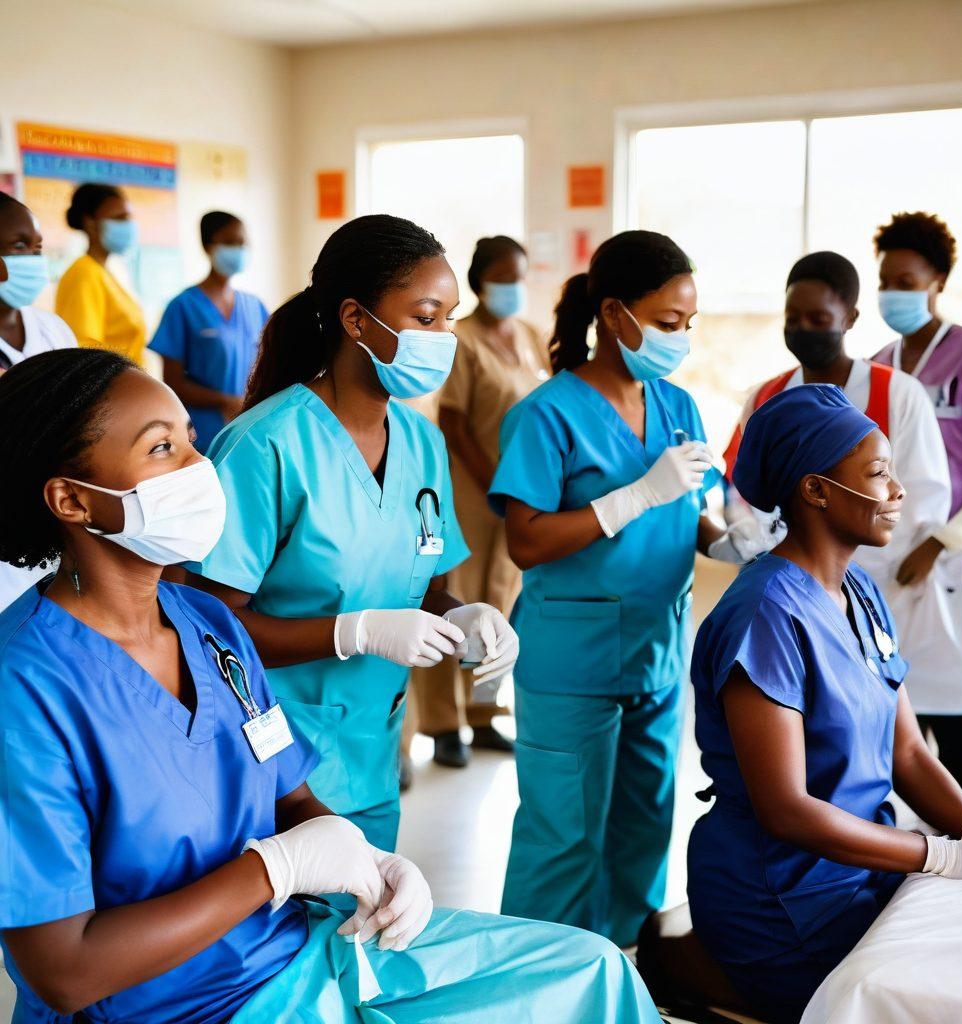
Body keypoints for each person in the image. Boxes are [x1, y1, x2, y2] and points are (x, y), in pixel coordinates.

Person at [0, 347, 663, 1024]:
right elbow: (65, 971)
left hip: (300, 949)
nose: (201, 471)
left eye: (192, 443)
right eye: (162, 448)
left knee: (592, 972)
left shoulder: (206, 626)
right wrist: (274, 871)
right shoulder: (24, 687)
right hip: (176, 1007)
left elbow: (292, 795)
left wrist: (364, 857)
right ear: (72, 499)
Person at [637, 385, 962, 1024]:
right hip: (783, 896)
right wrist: (941, 855)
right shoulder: (764, 616)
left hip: (864, 865)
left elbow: (905, 751)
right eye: (877, 474)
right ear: (815, 490)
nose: (898, 491)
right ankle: (681, 967)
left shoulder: (861, 592)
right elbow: (787, 810)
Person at [188, 215, 517, 853]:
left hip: (372, 747)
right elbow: (208, 629)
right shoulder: (267, 446)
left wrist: (468, 617)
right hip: (276, 757)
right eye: (426, 318)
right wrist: (353, 632)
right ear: (356, 319)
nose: (445, 338)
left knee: (364, 934)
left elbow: (423, 587)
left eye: (451, 317)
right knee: (290, 940)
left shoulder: (422, 443)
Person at [490, 230, 762, 947]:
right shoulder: (547, 414)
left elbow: (688, 510)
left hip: (656, 652)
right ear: (614, 314)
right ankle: (538, 980)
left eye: (687, 326)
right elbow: (526, 539)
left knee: (645, 826)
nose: (680, 339)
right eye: (668, 324)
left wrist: (728, 542)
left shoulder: (678, 406)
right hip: (570, 662)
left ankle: (621, 969)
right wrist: (630, 497)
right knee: (564, 837)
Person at [723, 251, 962, 724]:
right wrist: (748, 534)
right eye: (793, 318)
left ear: (849, 318)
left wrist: (862, 562)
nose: (803, 328)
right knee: (802, 713)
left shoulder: (896, 393)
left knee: (880, 716)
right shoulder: (766, 397)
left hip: (882, 584)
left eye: (818, 318)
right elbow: (739, 488)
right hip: (788, 582)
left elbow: (922, 493)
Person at [873, 212, 962, 806]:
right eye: (886, 281)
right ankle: (917, 849)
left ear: (937, 281)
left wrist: (946, 539)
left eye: (907, 281)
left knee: (958, 708)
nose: (894, 293)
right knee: (901, 704)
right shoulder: (880, 364)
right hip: (895, 561)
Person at [413, 235, 548, 770]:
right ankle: (444, 725)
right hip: (472, 489)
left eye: (519, 276)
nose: (511, 287)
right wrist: (494, 480)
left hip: (521, 497)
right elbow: (454, 421)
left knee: (502, 602)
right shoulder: (462, 341)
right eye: (501, 276)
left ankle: (484, 712)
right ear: (479, 282)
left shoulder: (533, 336)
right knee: (456, 601)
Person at [0, 192, 77, 611]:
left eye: (37, 248)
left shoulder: (52, 331)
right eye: (17, 247)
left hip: (50, 512)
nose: (31, 259)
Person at [149, 211, 269, 453]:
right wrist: (225, 402)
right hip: (201, 436)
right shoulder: (183, 306)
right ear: (207, 245)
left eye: (242, 243)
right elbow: (171, 383)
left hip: (250, 430)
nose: (237, 249)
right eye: (229, 242)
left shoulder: (254, 307)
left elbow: (270, 364)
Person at [56, 183, 147, 364]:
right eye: (119, 218)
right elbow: (85, 350)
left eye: (128, 218)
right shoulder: (84, 273)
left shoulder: (105, 272)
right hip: (110, 388)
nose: (128, 226)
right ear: (90, 222)